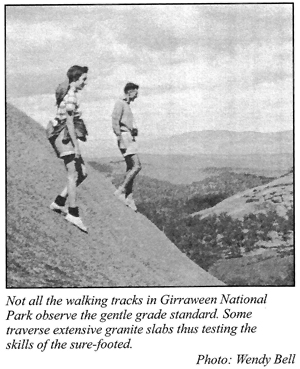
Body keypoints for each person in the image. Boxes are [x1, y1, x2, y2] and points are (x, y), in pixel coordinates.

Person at [49, 65, 89, 232]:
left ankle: (58, 202)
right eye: (83, 79)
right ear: (75, 79)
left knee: (83, 173)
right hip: (63, 137)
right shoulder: (71, 97)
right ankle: (73, 212)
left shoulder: (69, 94)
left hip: (63, 135)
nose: (85, 83)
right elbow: (70, 123)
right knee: (73, 174)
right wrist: (77, 147)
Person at [112, 82, 142, 211]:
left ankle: (129, 197)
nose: (137, 96)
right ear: (130, 91)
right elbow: (115, 120)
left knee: (130, 166)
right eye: (136, 92)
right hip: (125, 137)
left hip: (128, 136)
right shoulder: (120, 103)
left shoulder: (126, 104)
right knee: (137, 165)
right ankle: (121, 190)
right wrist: (119, 136)